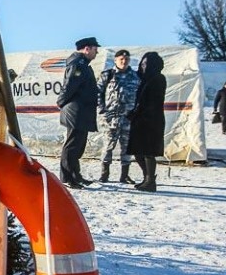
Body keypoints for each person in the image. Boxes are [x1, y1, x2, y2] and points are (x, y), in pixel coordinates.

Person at [57, 36, 100, 189]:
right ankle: (68, 177)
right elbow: (70, 86)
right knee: (73, 145)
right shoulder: (79, 64)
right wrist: (61, 102)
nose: (97, 53)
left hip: (82, 111)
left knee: (79, 145)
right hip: (76, 110)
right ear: (87, 49)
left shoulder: (84, 64)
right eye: (95, 49)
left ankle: (75, 174)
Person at [96, 49, 140, 183]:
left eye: (126, 59)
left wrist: (135, 112)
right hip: (111, 118)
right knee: (108, 146)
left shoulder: (135, 76)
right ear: (115, 60)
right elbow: (98, 93)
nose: (124, 61)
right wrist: (102, 111)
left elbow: (140, 96)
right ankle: (104, 174)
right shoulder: (108, 75)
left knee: (127, 147)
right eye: (121, 59)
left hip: (128, 117)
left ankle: (124, 175)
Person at [126, 51, 166, 192]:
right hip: (140, 119)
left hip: (151, 120)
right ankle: (146, 177)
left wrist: (137, 112)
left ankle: (150, 181)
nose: (143, 67)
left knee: (148, 151)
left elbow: (152, 101)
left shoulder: (158, 79)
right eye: (142, 64)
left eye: (146, 64)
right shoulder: (143, 79)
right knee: (138, 151)